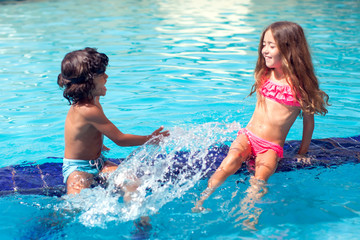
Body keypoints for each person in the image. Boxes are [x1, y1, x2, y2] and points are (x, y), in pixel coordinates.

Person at [193, 21, 330, 218]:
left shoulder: (301, 87)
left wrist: (302, 152)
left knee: (260, 177)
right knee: (230, 161)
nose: (264, 50)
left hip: (271, 146)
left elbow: (308, 123)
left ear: (289, 49)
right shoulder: (265, 73)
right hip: (248, 136)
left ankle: (249, 216)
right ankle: (202, 200)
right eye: (264, 44)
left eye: (271, 46)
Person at [57, 47, 169, 195]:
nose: (107, 77)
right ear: (89, 82)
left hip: (100, 163)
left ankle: (140, 219)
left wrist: (94, 142)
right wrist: (150, 139)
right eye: (102, 74)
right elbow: (120, 139)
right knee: (75, 206)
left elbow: (84, 130)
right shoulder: (87, 110)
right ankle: (53, 219)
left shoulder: (93, 101)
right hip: (78, 169)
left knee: (132, 185)